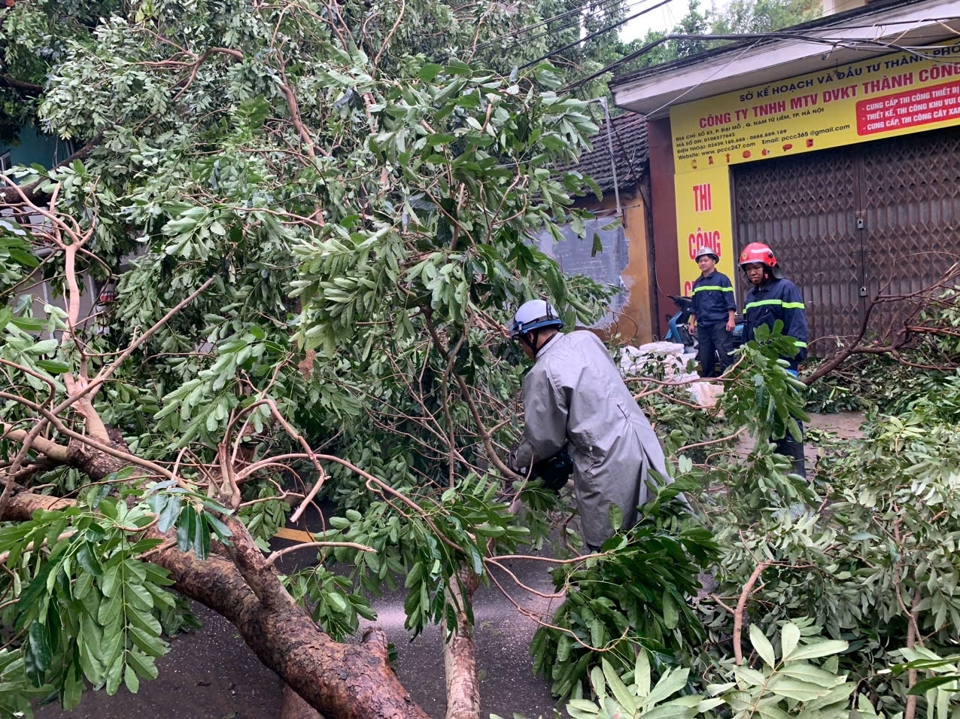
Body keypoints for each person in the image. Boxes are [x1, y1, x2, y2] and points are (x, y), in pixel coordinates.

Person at [507, 299, 674, 551]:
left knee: (611, 547)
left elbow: (543, 439)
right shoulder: (586, 339)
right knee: (657, 524)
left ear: (530, 336)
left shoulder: (542, 371)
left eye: (520, 342)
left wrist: (518, 460)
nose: (523, 349)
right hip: (641, 441)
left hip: (606, 462)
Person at [739, 242, 809, 478]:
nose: (752, 273)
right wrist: (745, 360)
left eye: (756, 267)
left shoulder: (785, 289)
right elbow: (749, 332)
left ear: (769, 265)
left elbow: (796, 323)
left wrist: (794, 356)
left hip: (783, 367)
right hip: (761, 369)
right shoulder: (751, 296)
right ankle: (775, 476)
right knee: (767, 421)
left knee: (788, 419)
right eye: (748, 269)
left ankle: (796, 474)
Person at [688, 247, 737, 377]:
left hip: (719, 324)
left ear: (713, 261)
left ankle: (729, 381)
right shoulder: (697, 283)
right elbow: (694, 305)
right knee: (705, 356)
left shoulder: (722, 280)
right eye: (700, 261)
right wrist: (692, 323)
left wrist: (731, 319)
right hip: (703, 325)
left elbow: (730, 302)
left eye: (705, 260)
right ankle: (708, 382)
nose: (702, 263)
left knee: (725, 354)